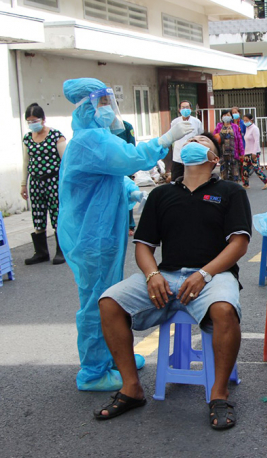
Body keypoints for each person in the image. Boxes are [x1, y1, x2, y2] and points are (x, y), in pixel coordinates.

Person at [95, 132, 251, 431]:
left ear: (215, 159)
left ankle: (218, 395)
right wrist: (152, 275)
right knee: (109, 302)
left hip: (214, 275)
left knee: (223, 310)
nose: (195, 143)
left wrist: (204, 273)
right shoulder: (161, 194)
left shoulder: (231, 192)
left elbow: (239, 243)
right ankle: (132, 389)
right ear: (180, 155)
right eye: (190, 141)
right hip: (166, 275)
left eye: (204, 143)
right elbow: (143, 245)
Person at [58, 78, 193, 391]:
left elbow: (112, 175)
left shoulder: (97, 137)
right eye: (101, 103)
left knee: (108, 296)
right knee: (97, 302)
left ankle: (114, 355)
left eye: (109, 102)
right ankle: (94, 371)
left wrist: (132, 190)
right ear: (85, 107)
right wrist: (167, 138)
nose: (107, 109)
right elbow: (131, 159)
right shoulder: (90, 140)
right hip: (91, 237)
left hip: (101, 232)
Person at [20, 103, 67, 265]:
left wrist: (67, 183)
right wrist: (23, 184)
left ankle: (62, 251)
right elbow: (26, 162)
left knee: (57, 214)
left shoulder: (56, 136)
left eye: (35, 120)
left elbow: (65, 162)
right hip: (36, 182)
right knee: (38, 215)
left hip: (53, 180)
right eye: (29, 121)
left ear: (43, 119)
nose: (32, 123)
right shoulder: (28, 138)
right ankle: (41, 252)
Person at [170, 100, 203, 181]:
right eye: (183, 107)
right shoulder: (175, 122)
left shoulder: (196, 122)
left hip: (192, 155)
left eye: (187, 107)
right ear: (179, 110)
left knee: (192, 179)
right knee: (176, 179)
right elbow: (172, 137)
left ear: (191, 109)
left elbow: (200, 136)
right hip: (178, 156)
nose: (185, 109)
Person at [241, 113, 267, 190]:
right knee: (245, 168)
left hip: (253, 152)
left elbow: (257, 141)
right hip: (247, 152)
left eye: (247, 120)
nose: (245, 122)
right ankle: (245, 184)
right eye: (244, 120)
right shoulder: (248, 128)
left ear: (251, 120)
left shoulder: (254, 128)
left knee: (256, 168)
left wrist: (254, 152)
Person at [213, 109, 244, 182]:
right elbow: (214, 138)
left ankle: (235, 188)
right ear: (222, 117)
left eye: (228, 115)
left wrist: (241, 152)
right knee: (224, 173)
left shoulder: (235, 127)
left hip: (233, 153)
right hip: (223, 153)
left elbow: (239, 140)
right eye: (225, 115)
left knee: (235, 173)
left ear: (231, 116)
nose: (226, 116)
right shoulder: (219, 126)